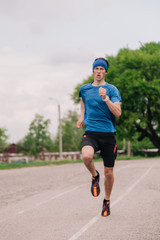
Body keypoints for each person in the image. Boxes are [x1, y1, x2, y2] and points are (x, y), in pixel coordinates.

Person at [76, 57, 121, 217]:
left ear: (105, 72)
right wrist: (82, 116)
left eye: (102, 69)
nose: (99, 71)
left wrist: (106, 98)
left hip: (108, 135)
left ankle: (106, 201)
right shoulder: (85, 89)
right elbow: (83, 101)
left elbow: (118, 112)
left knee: (109, 173)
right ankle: (95, 176)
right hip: (92, 132)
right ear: (93, 70)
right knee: (86, 156)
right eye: (97, 69)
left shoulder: (112, 90)